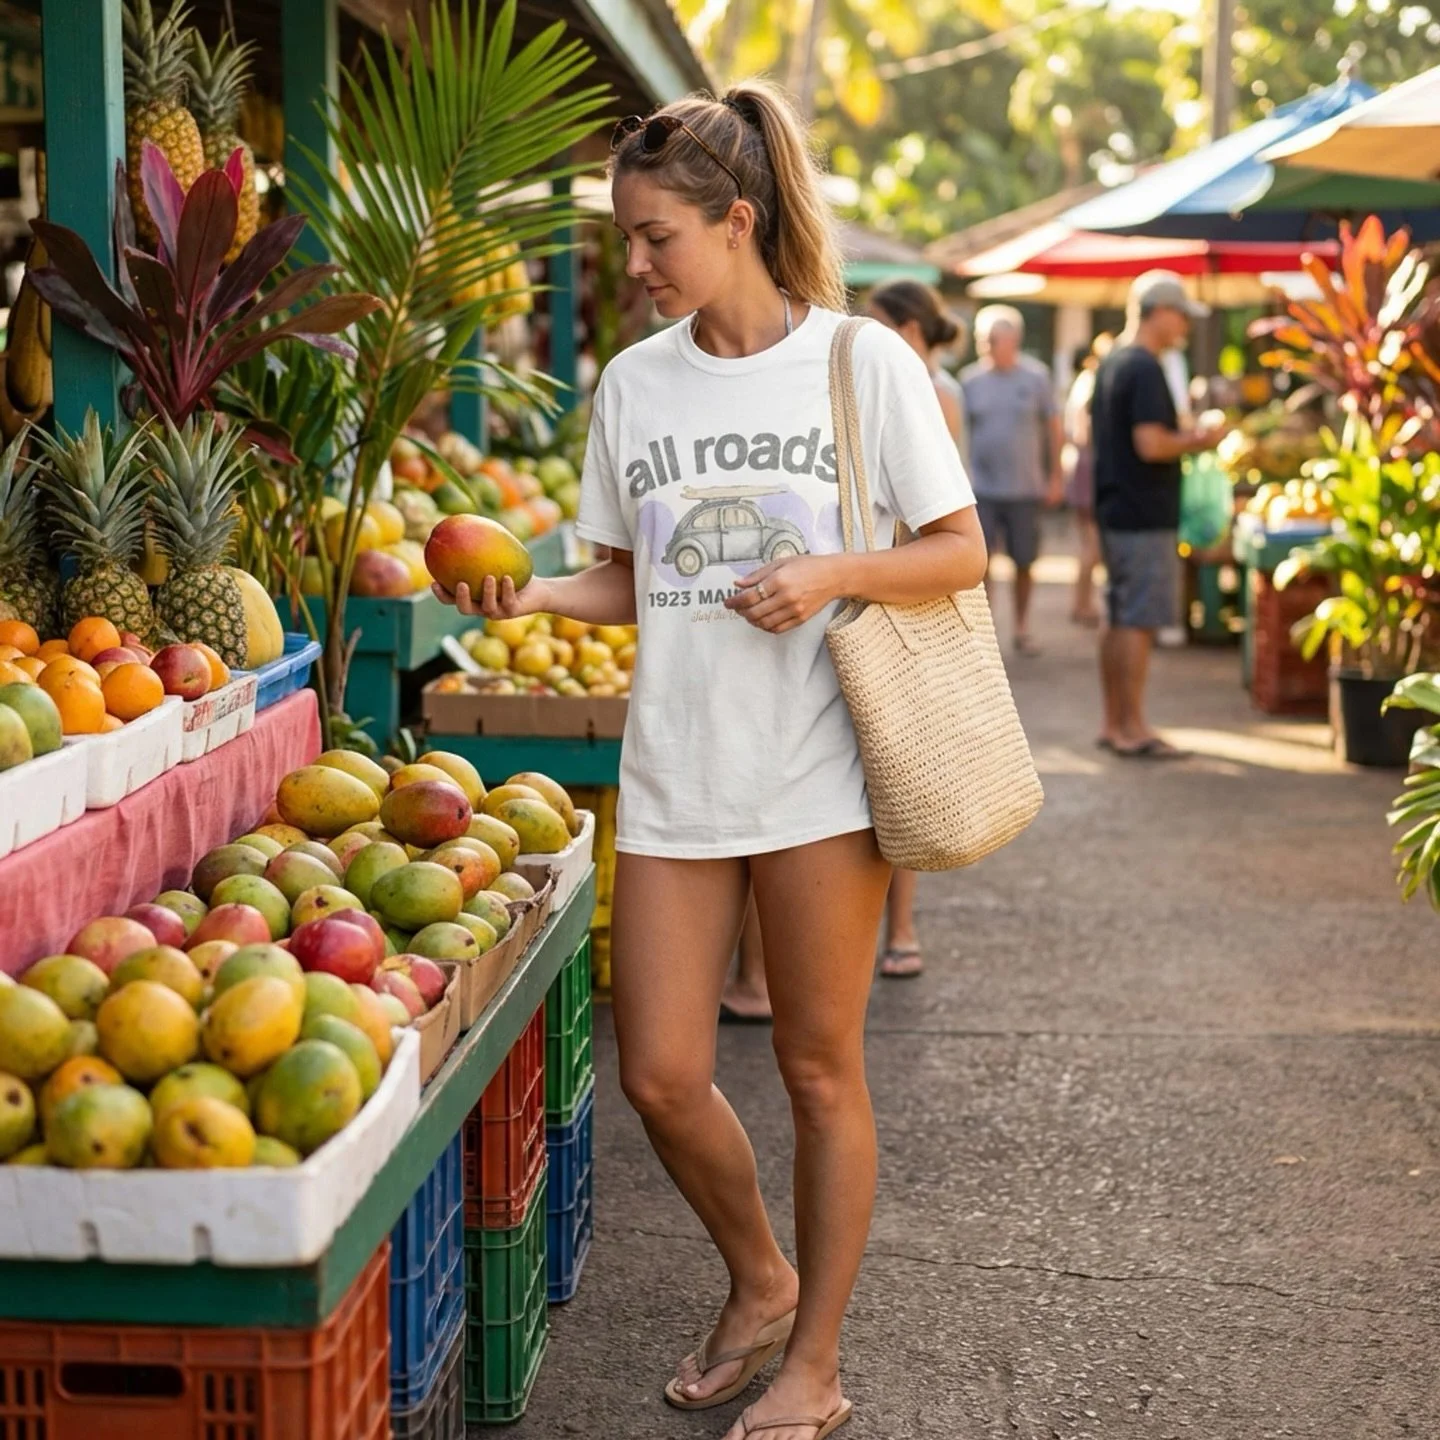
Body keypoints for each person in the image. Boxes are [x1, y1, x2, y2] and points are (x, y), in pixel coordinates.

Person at [433, 81, 985, 1440]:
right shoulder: (634, 385)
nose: (632, 264)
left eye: (653, 236)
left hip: (820, 773)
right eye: (626, 237)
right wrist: (529, 600)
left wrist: (831, 573)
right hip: (678, 769)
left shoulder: (863, 363)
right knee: (663, 1074)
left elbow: (959, 550)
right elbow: (627, 582)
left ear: (736, 222)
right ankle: (758, 1281)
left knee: (817, 1069)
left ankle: (818, 1363)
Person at [866, 279, 967, 979]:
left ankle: (901, 928)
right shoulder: (868, 379)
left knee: (904, 773)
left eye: (874, 322)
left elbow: (938, 512)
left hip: (908, 588)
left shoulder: (933, 391)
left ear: (908, 328)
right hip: (870, 580)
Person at [1091, 271, 1225, 759]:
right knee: (1137, 620)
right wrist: (1201, 439)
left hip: (1116, 508)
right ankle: (1132, 727)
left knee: (1120, 615)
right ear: (1159, 312)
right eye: (1182, 316)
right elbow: (1150, 444)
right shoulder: (1144, 367)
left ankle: (1116, 723)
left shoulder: (1113, 363)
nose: (1185, 326)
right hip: (1142, 512)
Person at [960, 306, 1064, 655]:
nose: (986, 345)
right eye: (982, 339)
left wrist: (1055, 476)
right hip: (981, 490)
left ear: (1013, 340)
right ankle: (984, 633)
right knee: (979, 565)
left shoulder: (1036, 378)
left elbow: (1053, 429)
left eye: (992, 339)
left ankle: (1021, 627)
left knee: (1024, 562)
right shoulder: (969, 381)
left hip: (1025, 488)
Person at [1062, 334, 1112, 628]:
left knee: (1087, 541)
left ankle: (1082, 603)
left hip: (1082, 464)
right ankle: (1083, 604)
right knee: (1092, 542)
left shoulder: (1085, 381)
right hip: (1088, 465)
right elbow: (1083, 431)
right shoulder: (1092, 384)